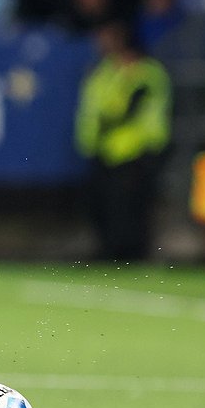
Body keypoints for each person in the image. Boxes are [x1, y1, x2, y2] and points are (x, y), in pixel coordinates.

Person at [74, 18, 172, 261]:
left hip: (136, 150)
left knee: (130, 208)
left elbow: (130, 109)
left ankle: (131, 256)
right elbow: (93, 108)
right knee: (103, 207)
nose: (101, 43)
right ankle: (109, 252)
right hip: (103, 149)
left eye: (106, 37)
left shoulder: (145, 72)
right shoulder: (104, 71)